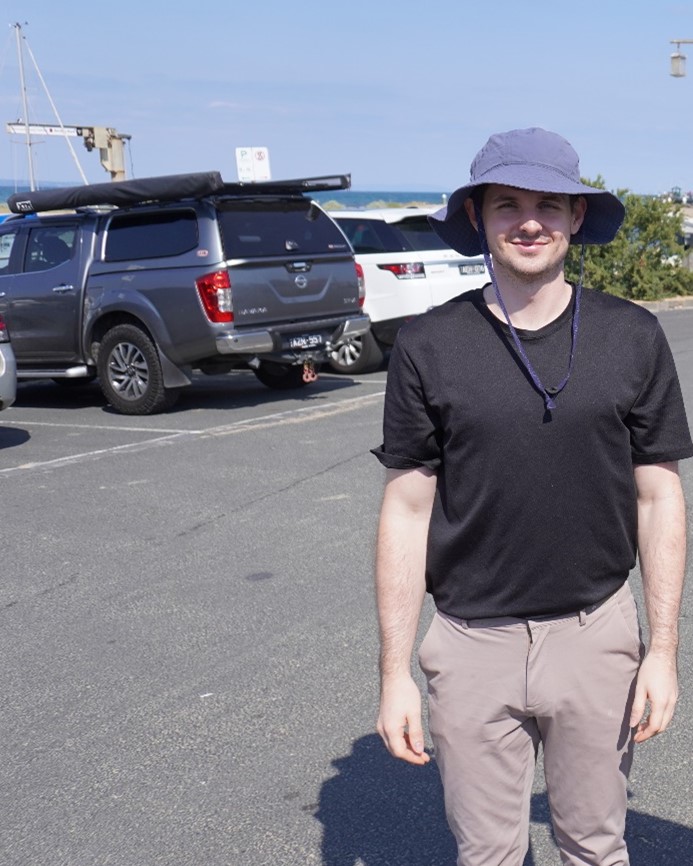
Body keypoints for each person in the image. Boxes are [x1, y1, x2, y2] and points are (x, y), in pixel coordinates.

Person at [372, 127, 693, 866]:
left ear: (576, 218)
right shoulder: (429, 344)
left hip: (595, 636)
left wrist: (663, 651)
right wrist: (394, 675)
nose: (529, 221)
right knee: (486, 854)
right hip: (469, 642)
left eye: (549, 204)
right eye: (507, 204)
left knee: (594, 846)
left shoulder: (631, 334)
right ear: (478, 216)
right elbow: (405, 508)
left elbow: (658, 498)